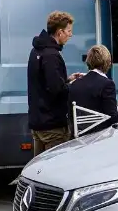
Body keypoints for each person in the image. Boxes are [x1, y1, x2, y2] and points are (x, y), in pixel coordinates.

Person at [27, 11, 83, 156]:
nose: (70, 35)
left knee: (38, 169)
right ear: (59, 32)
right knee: (55, 171)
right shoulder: (52, 55)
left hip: (38, 122)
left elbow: (43, 82)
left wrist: (67, 79)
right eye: (69, 31)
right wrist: (73, 85)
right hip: (53, 126)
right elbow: (56, 90)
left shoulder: (36, 51)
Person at [68, 44, 118, 136]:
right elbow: (113, 119)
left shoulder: (74, 84)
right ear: (108, 62)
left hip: (78, 138)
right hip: (99, 137)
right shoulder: (107, 84)